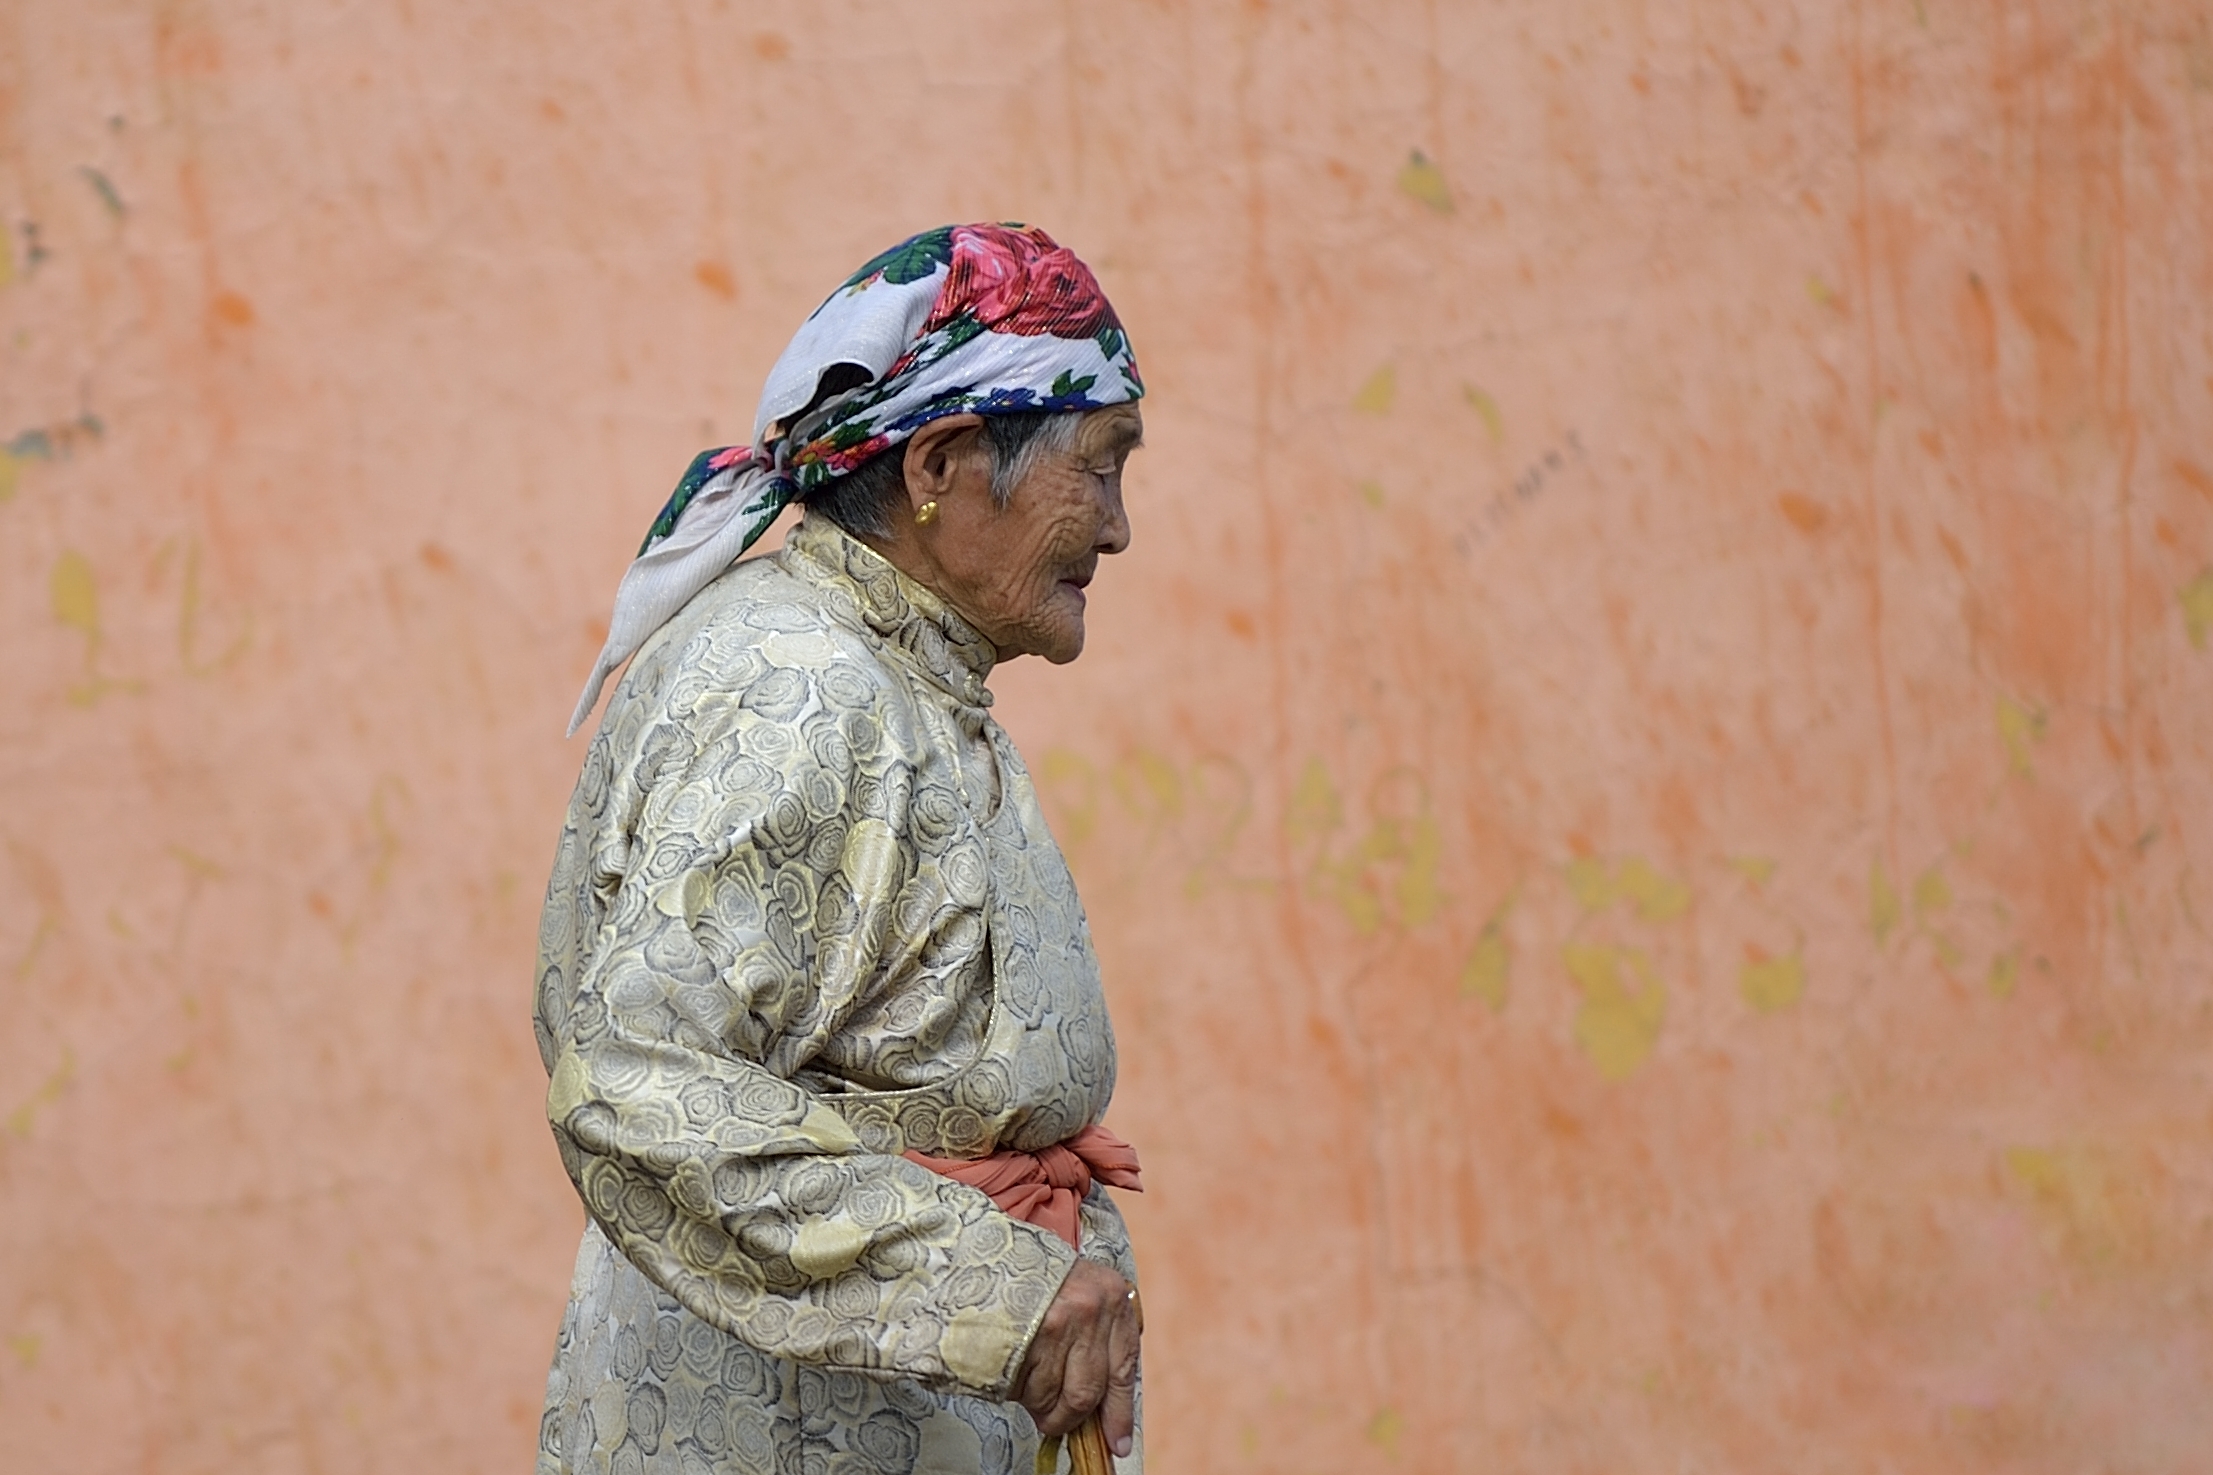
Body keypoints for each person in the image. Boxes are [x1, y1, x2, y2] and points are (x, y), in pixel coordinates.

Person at [534, 223, 1149, 1475]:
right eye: (1097, 468)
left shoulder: (892, 672)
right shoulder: (800, 692)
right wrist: (994, 1286)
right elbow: (636, 1083)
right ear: (940, 461)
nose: (1119, 526)